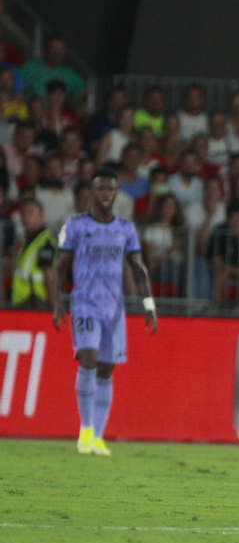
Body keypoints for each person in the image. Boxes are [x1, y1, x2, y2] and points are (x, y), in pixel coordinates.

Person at [49, 169, 158, 455]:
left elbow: (138, 267)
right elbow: (60, 267)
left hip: (114, 308)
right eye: (100, 189)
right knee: (89, 359)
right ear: (91, 192)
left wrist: (149, 305)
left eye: (111, 189)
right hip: (85, 303)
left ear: (116, 193)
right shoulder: (75, 225)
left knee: (107, 368)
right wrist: (58, 305)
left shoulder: (125, 228)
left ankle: (97, 436)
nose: (106, 194)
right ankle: (84, 431)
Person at [9, 199, 56, 308]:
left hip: (34, 301)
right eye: (24, 213)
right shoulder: (27, 240)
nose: (26, 217)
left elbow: (49, 275)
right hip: (21, 300)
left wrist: (52, 306)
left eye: (31, 213)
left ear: (41, 216)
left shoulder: (45, 241)